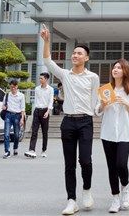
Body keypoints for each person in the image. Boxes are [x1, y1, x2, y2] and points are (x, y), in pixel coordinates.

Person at [41, 26, 100, 216]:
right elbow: (47, 61)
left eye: (79, 53)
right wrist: (47, 41)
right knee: (69, 163)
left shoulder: (93, 77)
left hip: (85, 122)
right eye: (74, 53)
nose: (75, 55)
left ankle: (87, 190)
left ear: (86, 58)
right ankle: (71, 200)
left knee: (85, 160)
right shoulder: (65, 74)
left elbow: (95, 101)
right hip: (68, 122)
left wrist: (99, 109)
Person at [97, 59, 129, 213]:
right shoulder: (106, 89)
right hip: (108, 133)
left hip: (125, 133)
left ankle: (125, 188)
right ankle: (115, 198)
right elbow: (97, 111)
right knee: (111, 167)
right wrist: (102, 105)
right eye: (114, 67)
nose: (115, 70)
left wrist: (126, 103)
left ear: (125, 71)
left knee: (121, 164)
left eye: (119, 68)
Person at [25, 72, 54, 159]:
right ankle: (32, 150)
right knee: (34, 131)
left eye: (41, 78)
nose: (40, 80)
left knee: (45, 132)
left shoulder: (50, 89)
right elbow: (36, 100)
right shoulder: (37, 88)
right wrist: (34, 111)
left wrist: (48, 112)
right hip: (37, 111)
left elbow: (50, 101)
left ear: (46, 79)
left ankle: (44, 150)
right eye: (40, 78)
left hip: (45, 111)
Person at [1, 79, 26, 158]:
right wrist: (4, 107)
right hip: (8, 114)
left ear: (17, 86)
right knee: (6, 134)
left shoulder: (21, 95)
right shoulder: (7, 95)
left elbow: (23, 108)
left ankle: (15, 148)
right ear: (10, 87)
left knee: (16, 135)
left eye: (14, 87)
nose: (13, 88)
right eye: (11, 87)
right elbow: (3, 105)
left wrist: (22, 119)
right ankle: (7, 151)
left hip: (17, 116)